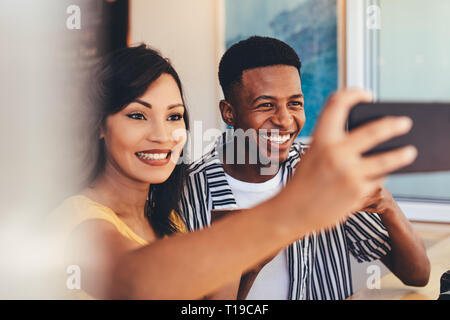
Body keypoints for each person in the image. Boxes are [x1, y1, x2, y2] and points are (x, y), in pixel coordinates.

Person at [51, 43, 418, 300]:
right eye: (136, 115)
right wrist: (294, 210)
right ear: (98, 124)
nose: (163, 136)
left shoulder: (164, 217)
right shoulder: (79, 221)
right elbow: (134, 283)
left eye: (174, 116)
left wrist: (251, 265)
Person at [180, 36, 430, 300]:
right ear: (229, 112)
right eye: (265, 105)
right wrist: (252, 254)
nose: (285, 120)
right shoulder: (188, 192)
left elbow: (417, 274)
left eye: (295, 104)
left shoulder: (321, 171)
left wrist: (386, 204)